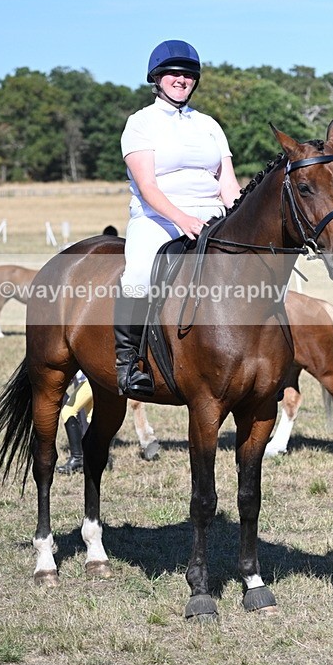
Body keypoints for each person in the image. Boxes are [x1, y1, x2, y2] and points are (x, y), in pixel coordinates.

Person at [114, 39, 242, 398]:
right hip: (157, 218)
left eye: (187, 74)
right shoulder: (140, 123)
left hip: (213, 217)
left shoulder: (209, 125)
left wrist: (239, 218)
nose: (181, 79)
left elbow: (227, 183)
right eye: (172, 73)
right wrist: (182, 219)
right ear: (157, 78)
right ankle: (128, 364)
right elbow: (148, 185)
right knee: (138, 274)